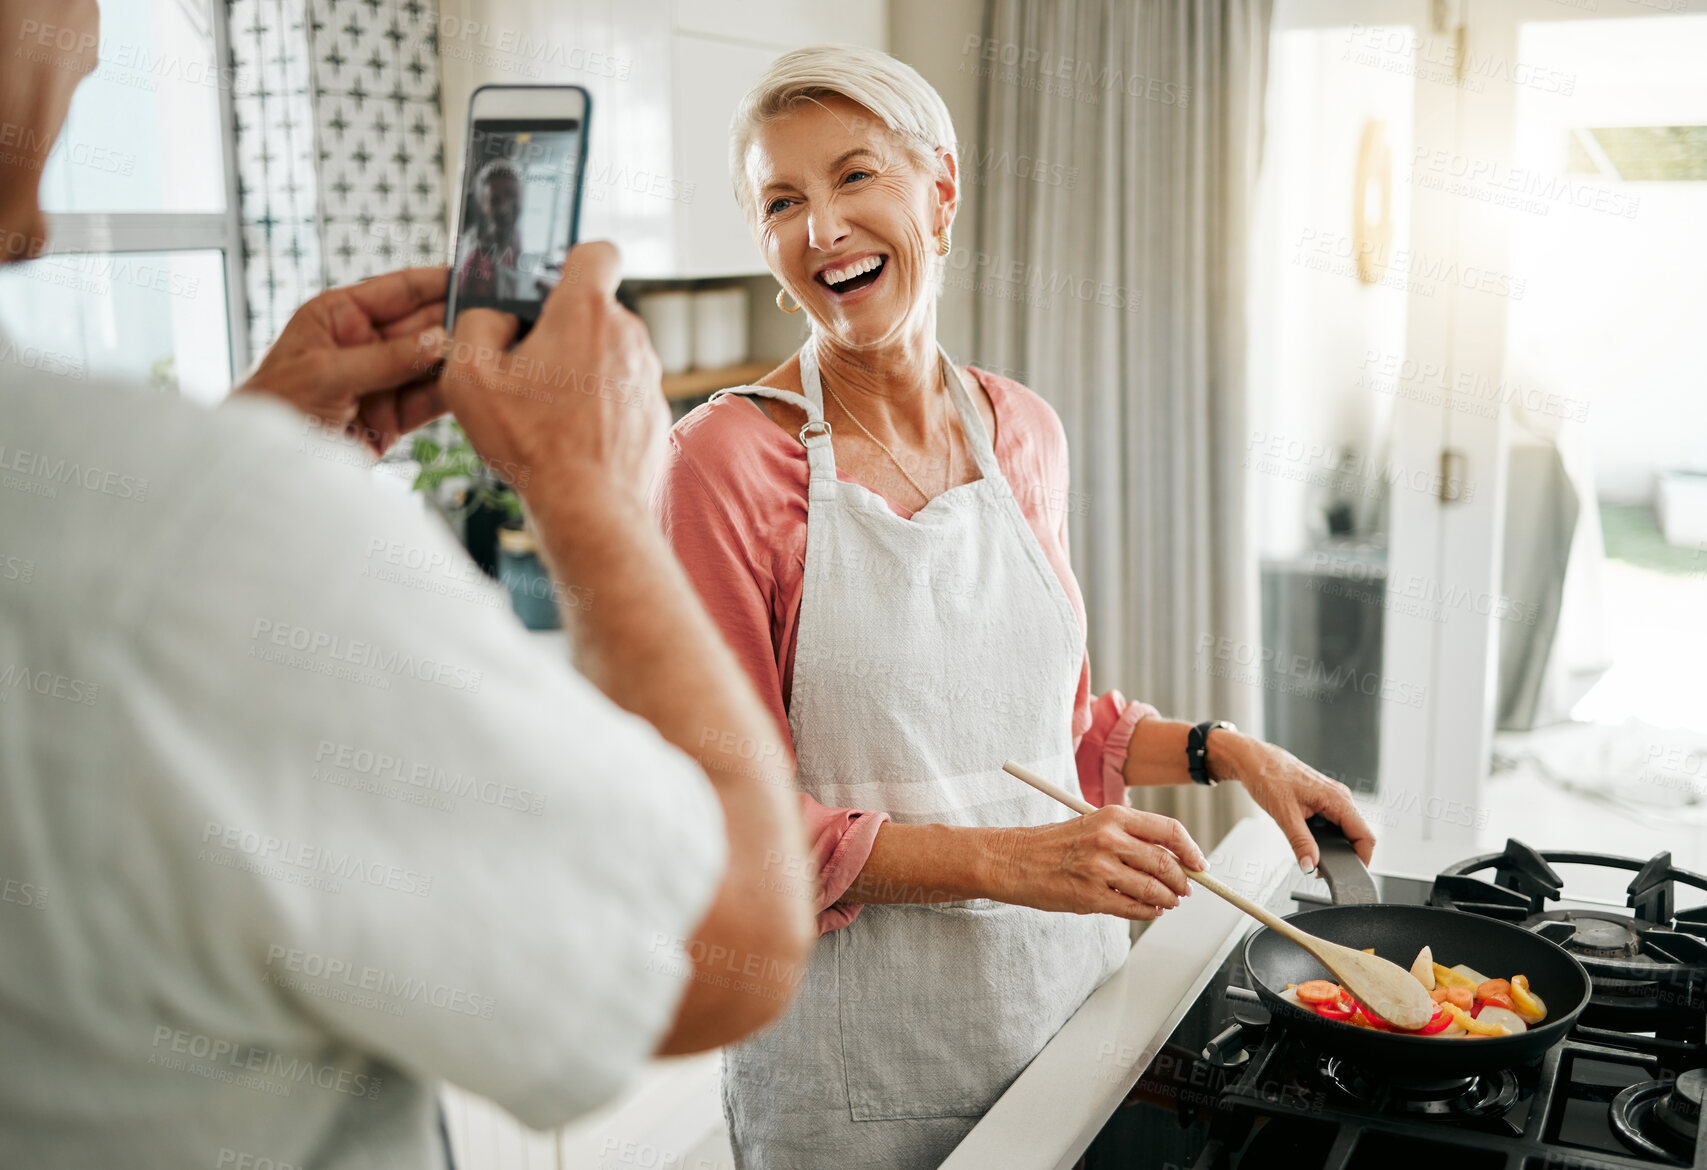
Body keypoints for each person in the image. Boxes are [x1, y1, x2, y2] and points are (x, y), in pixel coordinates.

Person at [0, 3, 813, 1168]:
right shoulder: (187, 535)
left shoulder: (140, 530)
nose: (89, 37)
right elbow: (728, 928)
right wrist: (588, 490)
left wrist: (239, 468)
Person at [654, 45, 1379, 1168]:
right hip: (856, 1075)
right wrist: (1012, 864)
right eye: (781, 202)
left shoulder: (1024, 432)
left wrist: (1224, 751)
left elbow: (1047, 730)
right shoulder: (721, 463)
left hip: (1065, 1019)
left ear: (939, 193)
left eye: (855, 178)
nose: (821, 229)